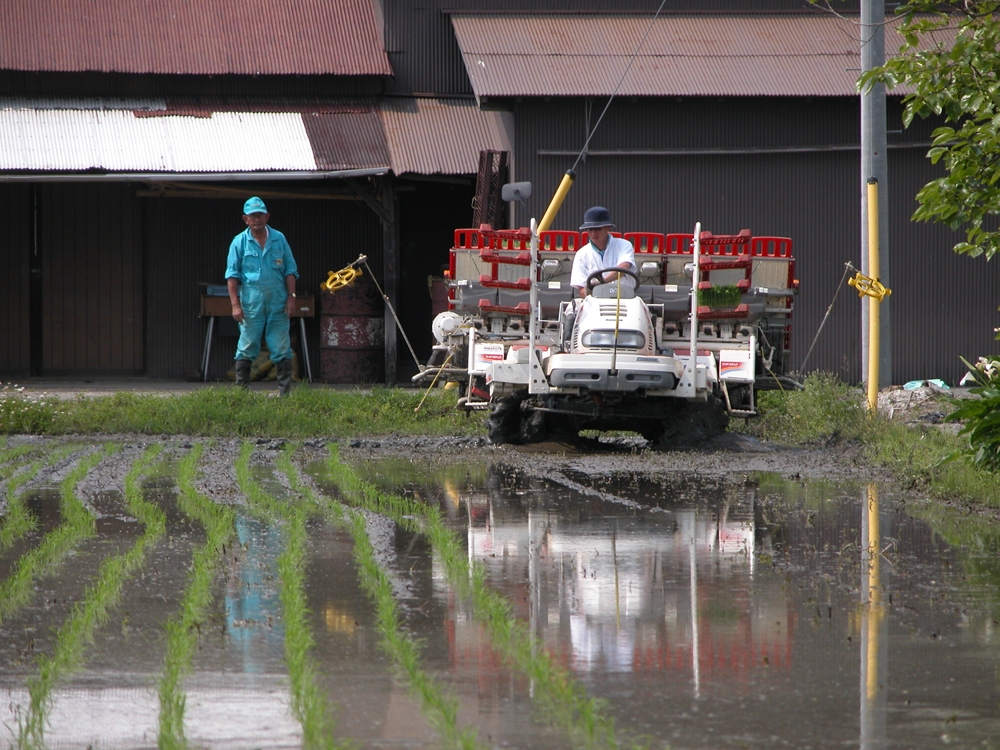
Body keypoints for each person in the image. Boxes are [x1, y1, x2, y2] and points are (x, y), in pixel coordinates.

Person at [226, 197, 299, 396]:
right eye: (252, 216)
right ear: (245, 219)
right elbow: (232, 275)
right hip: (251, 301)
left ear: (267, 216)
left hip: (278, 300)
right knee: (248, 343)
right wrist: (235, 304)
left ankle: (285, 394)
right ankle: (241, 393)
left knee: (281, 345)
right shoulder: (239, 242)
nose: (257, 219)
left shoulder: (279, 238)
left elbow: (290, 270)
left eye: (260, 215)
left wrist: (292, 297)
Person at [569, 206, 637, 298]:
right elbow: (581, 287)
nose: (593, 234)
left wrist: (602, 282)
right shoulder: (581, 254)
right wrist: (591, 295)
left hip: (625, 299)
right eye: (590, 229)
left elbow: (624, 267)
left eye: (597, 229)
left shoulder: (624, 245)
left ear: (607, 227)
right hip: (595, 302)